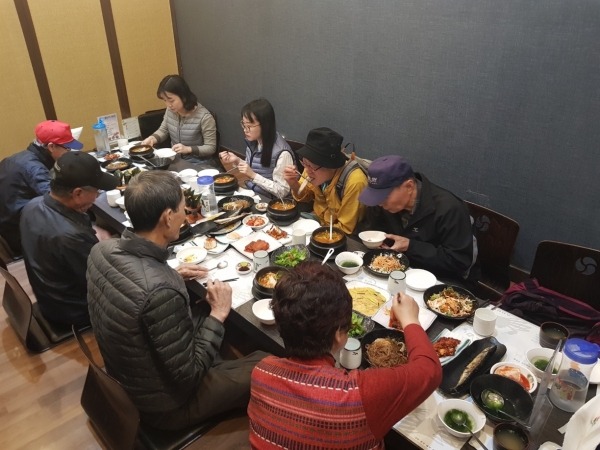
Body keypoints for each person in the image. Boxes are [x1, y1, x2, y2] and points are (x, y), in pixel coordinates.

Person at [87, 171, 267, 430]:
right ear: (168, 217)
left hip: (128, 379)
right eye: (184, 209)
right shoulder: (159, 291)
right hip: (164, 406)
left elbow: (138, 292)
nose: (186, 215)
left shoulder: (101, 250)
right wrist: (217, 313)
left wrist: (170, 274)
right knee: (268, 363)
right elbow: (188, 376)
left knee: (203, 310)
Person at [248, 261, 442, 449]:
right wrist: (410, 319)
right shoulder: (359, 394)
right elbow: (430, 370)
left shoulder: (262, 372)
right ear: (338, 334)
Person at [20, 152, 116, 326]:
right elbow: (104, 283)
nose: (97, 196)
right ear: (77, 193)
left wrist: (90, 229)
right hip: (74, 310)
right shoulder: (72, 237)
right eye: (96, 191)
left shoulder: (32, 206)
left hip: (49, 299)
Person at [357, 155, 479, 285]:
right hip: (398, 270)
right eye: (375, 196)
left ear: (409, 186)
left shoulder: (450, 209)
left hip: (443, 280)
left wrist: (410, 246)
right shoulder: (384, 205)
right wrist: (381, 246)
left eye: (384, 197)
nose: (380, 203)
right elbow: (372, 230)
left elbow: (459, 261)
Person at [0, 120, 83, 255]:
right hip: (20, 235)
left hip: (8, 224)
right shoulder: (34, 169)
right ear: (51, 147)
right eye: (67, 148)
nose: (69, 151)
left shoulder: (22, 157)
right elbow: (58, 201)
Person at [282, 127, 367, 234]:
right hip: (319, 220)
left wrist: (314, 235)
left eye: (311, 166)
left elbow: (344, 229)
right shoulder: (311, 168)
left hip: (339, 233)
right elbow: (306, 197)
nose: (307, 171)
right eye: (304, 163)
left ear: (331, 166)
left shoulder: (355, 182)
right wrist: (293, 182)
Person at [219, 98, 294, 198]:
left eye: (249, 126)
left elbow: (282, 191)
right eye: (243, 124)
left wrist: (253, 176)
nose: (245, 130)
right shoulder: (254, 142)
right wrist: (237, 160)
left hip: (273, 202)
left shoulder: (282, 153)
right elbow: (255, 167)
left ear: (265, 125)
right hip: (255, 193)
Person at [141, 75, 217, 164]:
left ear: (183, 97)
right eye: (165, 100)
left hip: (198, 163)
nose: (168, 105)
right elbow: (164, 130)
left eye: (171, 100)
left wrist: (188, 149)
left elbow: (210, 148)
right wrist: (152, 138)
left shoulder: (205, 117)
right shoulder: (170, 111)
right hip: (176, 159)